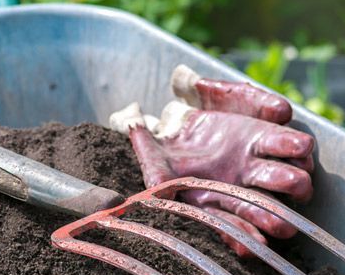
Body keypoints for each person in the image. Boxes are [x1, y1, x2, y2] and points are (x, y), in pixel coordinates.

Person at [109, 64, 315, 256]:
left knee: (288, 190)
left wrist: (189, 116)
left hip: (194, 121)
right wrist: (136, 129)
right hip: (165, 146)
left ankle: (190, 114)